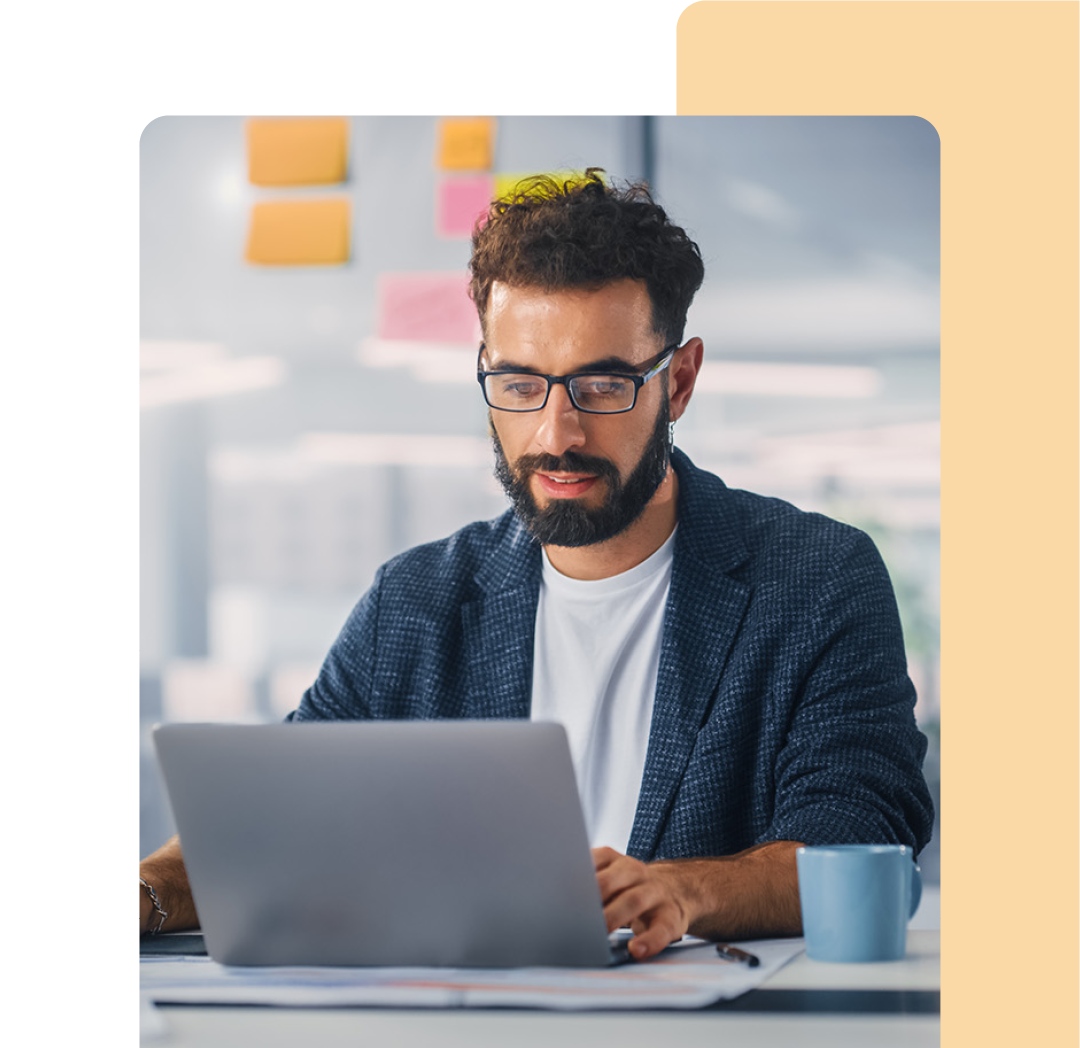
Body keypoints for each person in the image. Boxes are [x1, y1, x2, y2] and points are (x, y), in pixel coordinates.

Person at [140, 169, 934, 959]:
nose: (557, 433)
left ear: (680, 381)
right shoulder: (414, 604)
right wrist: (146, 893)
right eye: (520, 383)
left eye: (602, 384)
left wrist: (684, 891)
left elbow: (859, 846)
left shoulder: (815, 581)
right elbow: (278, 825)